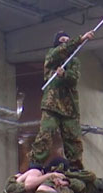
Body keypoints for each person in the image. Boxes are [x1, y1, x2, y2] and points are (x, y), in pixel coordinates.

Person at [29, 30, 95, 169]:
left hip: (70, 107)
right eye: (62, 40)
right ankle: (35, 165)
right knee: (46, 134)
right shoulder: (52, 56)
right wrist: (80, 39)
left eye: (67, 39)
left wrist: (64, 74)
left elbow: (74, 79)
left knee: (73, 139)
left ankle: (76, 169)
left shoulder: (74, 61)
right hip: (52, 104)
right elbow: (60, 51)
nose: (65, 42)